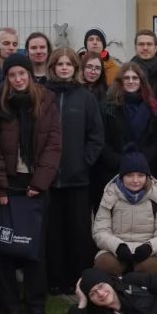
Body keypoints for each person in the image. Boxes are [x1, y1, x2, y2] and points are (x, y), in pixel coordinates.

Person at [0, 54, 63, 314]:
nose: (18, 79)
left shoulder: (46, 102)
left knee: (35, 248)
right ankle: (10, 304)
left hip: (35, 185)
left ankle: (35, 302)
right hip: (7, 184)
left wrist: (39, 183)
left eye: (22, 74)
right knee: (4, 246)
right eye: (12, 75)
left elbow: (53, 144)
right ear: (6, 78)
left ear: (30, 74)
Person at [44, 47, 106, 292]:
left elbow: (96, 136)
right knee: (52, 233)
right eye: (59, 64)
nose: (64, 68)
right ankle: (54, 281)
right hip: (48, 178)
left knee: (78, 232)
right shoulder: (42, 95)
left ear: (75, 68)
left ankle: (79, 279)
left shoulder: (85, 97)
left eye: (68, 64)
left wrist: (84, 162)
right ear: (52, 68)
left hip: (77, 178)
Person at [92, 146, 157, 275]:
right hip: (117, 249)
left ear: (147, 176)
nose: (135, 180)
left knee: (151, 268)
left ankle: (141, 292)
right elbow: (100, 231)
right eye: (130, 175)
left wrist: (149, 247)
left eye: (140, 175)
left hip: (147, 250)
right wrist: (117, 247)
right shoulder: (110, 196)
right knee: (105, 265)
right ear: (122, 176)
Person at [98, 62, 157, 190]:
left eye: (135, 78)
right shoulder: (108, 107)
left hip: (145, 171)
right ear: (120, 81)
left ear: (141, 81)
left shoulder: (153, 108)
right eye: (126, 78)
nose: (131, 81)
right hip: (115, 171)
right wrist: (119, 161)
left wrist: (141, 161)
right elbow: (102, 140)